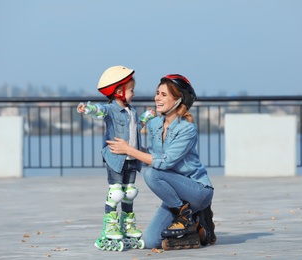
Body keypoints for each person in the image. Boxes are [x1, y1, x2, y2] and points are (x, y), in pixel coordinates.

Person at [106, 74, 216, 250]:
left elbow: (164, 163)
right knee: (150, 242)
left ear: (178, 99)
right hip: (176, 197)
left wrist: (129, 150)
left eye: (164, 95)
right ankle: (195, 225)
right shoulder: (154, 124)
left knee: (151, 173)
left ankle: (189, 214)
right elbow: (153, 155)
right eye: (157, 93)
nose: (157, 98)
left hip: (197, 191)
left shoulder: (187, 129)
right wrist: (126, 149)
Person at [77, 65, 155, 251]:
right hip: (116, 158)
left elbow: (136, 127)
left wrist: (147, 117)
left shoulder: (132, 112)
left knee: (129, 193)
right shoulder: (111, 110)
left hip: (131, 159)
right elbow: (99, 111)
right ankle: (110, 225)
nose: (134, 94)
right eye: (131, 90)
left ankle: (128, 224)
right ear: (119, 92)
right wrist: (87, 109)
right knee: (116, 192)